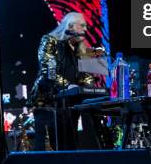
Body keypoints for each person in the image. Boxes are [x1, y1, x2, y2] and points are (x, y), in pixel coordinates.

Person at [29, 12, 99, 150]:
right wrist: (69, 86)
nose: (85, 29)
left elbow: (86, 75)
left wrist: (90, 88)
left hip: (70, 103)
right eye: (82, 26)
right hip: (47, 101)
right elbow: (49, 70)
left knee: (70, 144)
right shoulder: (50, 40)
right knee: (48, 148)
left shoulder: (80, 49)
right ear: (70, 26)